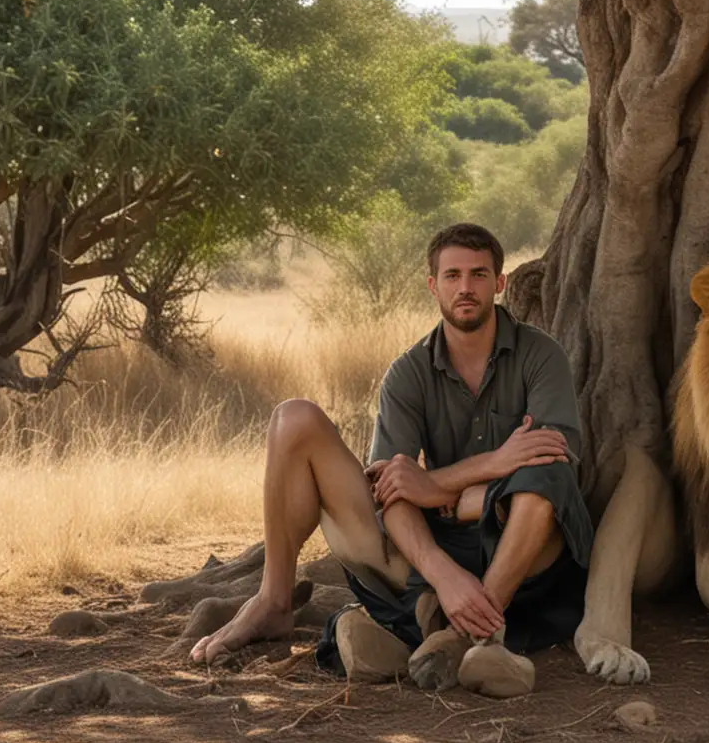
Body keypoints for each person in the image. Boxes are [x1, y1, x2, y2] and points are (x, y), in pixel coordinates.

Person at [190, 222, 593, 697]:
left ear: (500, 283)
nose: (466, 288)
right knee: (292, 419)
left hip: (520, 542)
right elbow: (391, 490)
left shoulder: (540, 355)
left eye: (479, 275)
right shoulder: (407, 372)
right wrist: (445, 563)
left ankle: (470, 632)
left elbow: (551, 459)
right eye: (453, 275)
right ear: (433, 285)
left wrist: (440, 486)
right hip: (429, 548)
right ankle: (274, 599)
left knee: (541, 479)